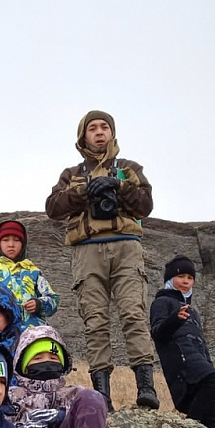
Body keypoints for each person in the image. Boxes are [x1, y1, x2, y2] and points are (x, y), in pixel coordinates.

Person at [45, 109, 159, 412]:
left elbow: (146, 205)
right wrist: (85, 191)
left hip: (126, 247)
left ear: (112, 133)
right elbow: (53, 208)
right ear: (83, 136)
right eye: (92, 128)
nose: (99, 132)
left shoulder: (129, 169)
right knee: (95, 321)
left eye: (104, 127)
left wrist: (118, 186)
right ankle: (102, 397)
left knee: (133, 314)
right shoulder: (72, 174)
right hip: (87, 251)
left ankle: (146, 388)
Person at [149, 255, 215, 428]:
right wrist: (174, 319)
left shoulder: (193, 312)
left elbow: (202, 345)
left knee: (210, 412)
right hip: (181, 366)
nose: (186, 281)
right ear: (170, 279)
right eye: (180, 276)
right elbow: (158, 334)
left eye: (190, 278)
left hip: (197, 364)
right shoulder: (161, 302)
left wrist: (208, 364)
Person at [0, 220, 59, 329]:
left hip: (34, 332)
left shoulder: (33, 271)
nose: (11, 245)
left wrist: (39, 304)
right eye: (5, 240)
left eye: (17, 240)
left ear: (23, 243)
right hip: (3, 333)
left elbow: (53, 300)